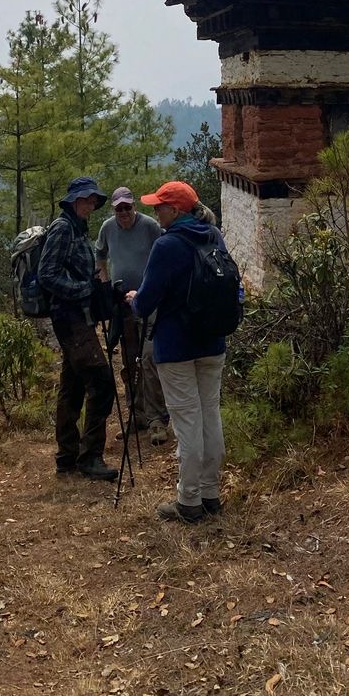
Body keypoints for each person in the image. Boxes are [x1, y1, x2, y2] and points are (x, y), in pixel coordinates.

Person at [127, 180, 229, 524]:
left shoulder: (167, 244)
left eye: (160, 206)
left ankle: (189, 501)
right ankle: (210, 493)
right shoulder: (213, 235)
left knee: (187, 421)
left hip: (176, 345)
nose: (155, 212)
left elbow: (147, 301)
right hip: (213, 341)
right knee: (209, 416)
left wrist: (133, 300)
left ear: (176, 210)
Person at [37, 176, 118, 481]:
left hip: (77, 316)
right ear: (72, 201)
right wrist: (82, 290)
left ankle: (67, 457)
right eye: (85, 200)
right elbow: (47, 274)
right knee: (102, 383)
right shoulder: (62, 228)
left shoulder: (77, 229)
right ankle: (90, 456)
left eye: (93, 200)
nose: (90, 204)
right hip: (70, 317)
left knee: (72, 386)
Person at [95, 186, 167, 444]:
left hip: (149, 303)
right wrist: (105, 283)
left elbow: (164, 253)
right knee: (129, 361)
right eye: (119, 208)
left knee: (149, 359)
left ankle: (157, 419)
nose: (124, 212)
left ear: (134, 206)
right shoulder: (107, 228)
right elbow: (99, 255)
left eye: (127, 207)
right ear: (113, 210)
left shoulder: (149, 226)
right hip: (122, 305)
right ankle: (136, 415)